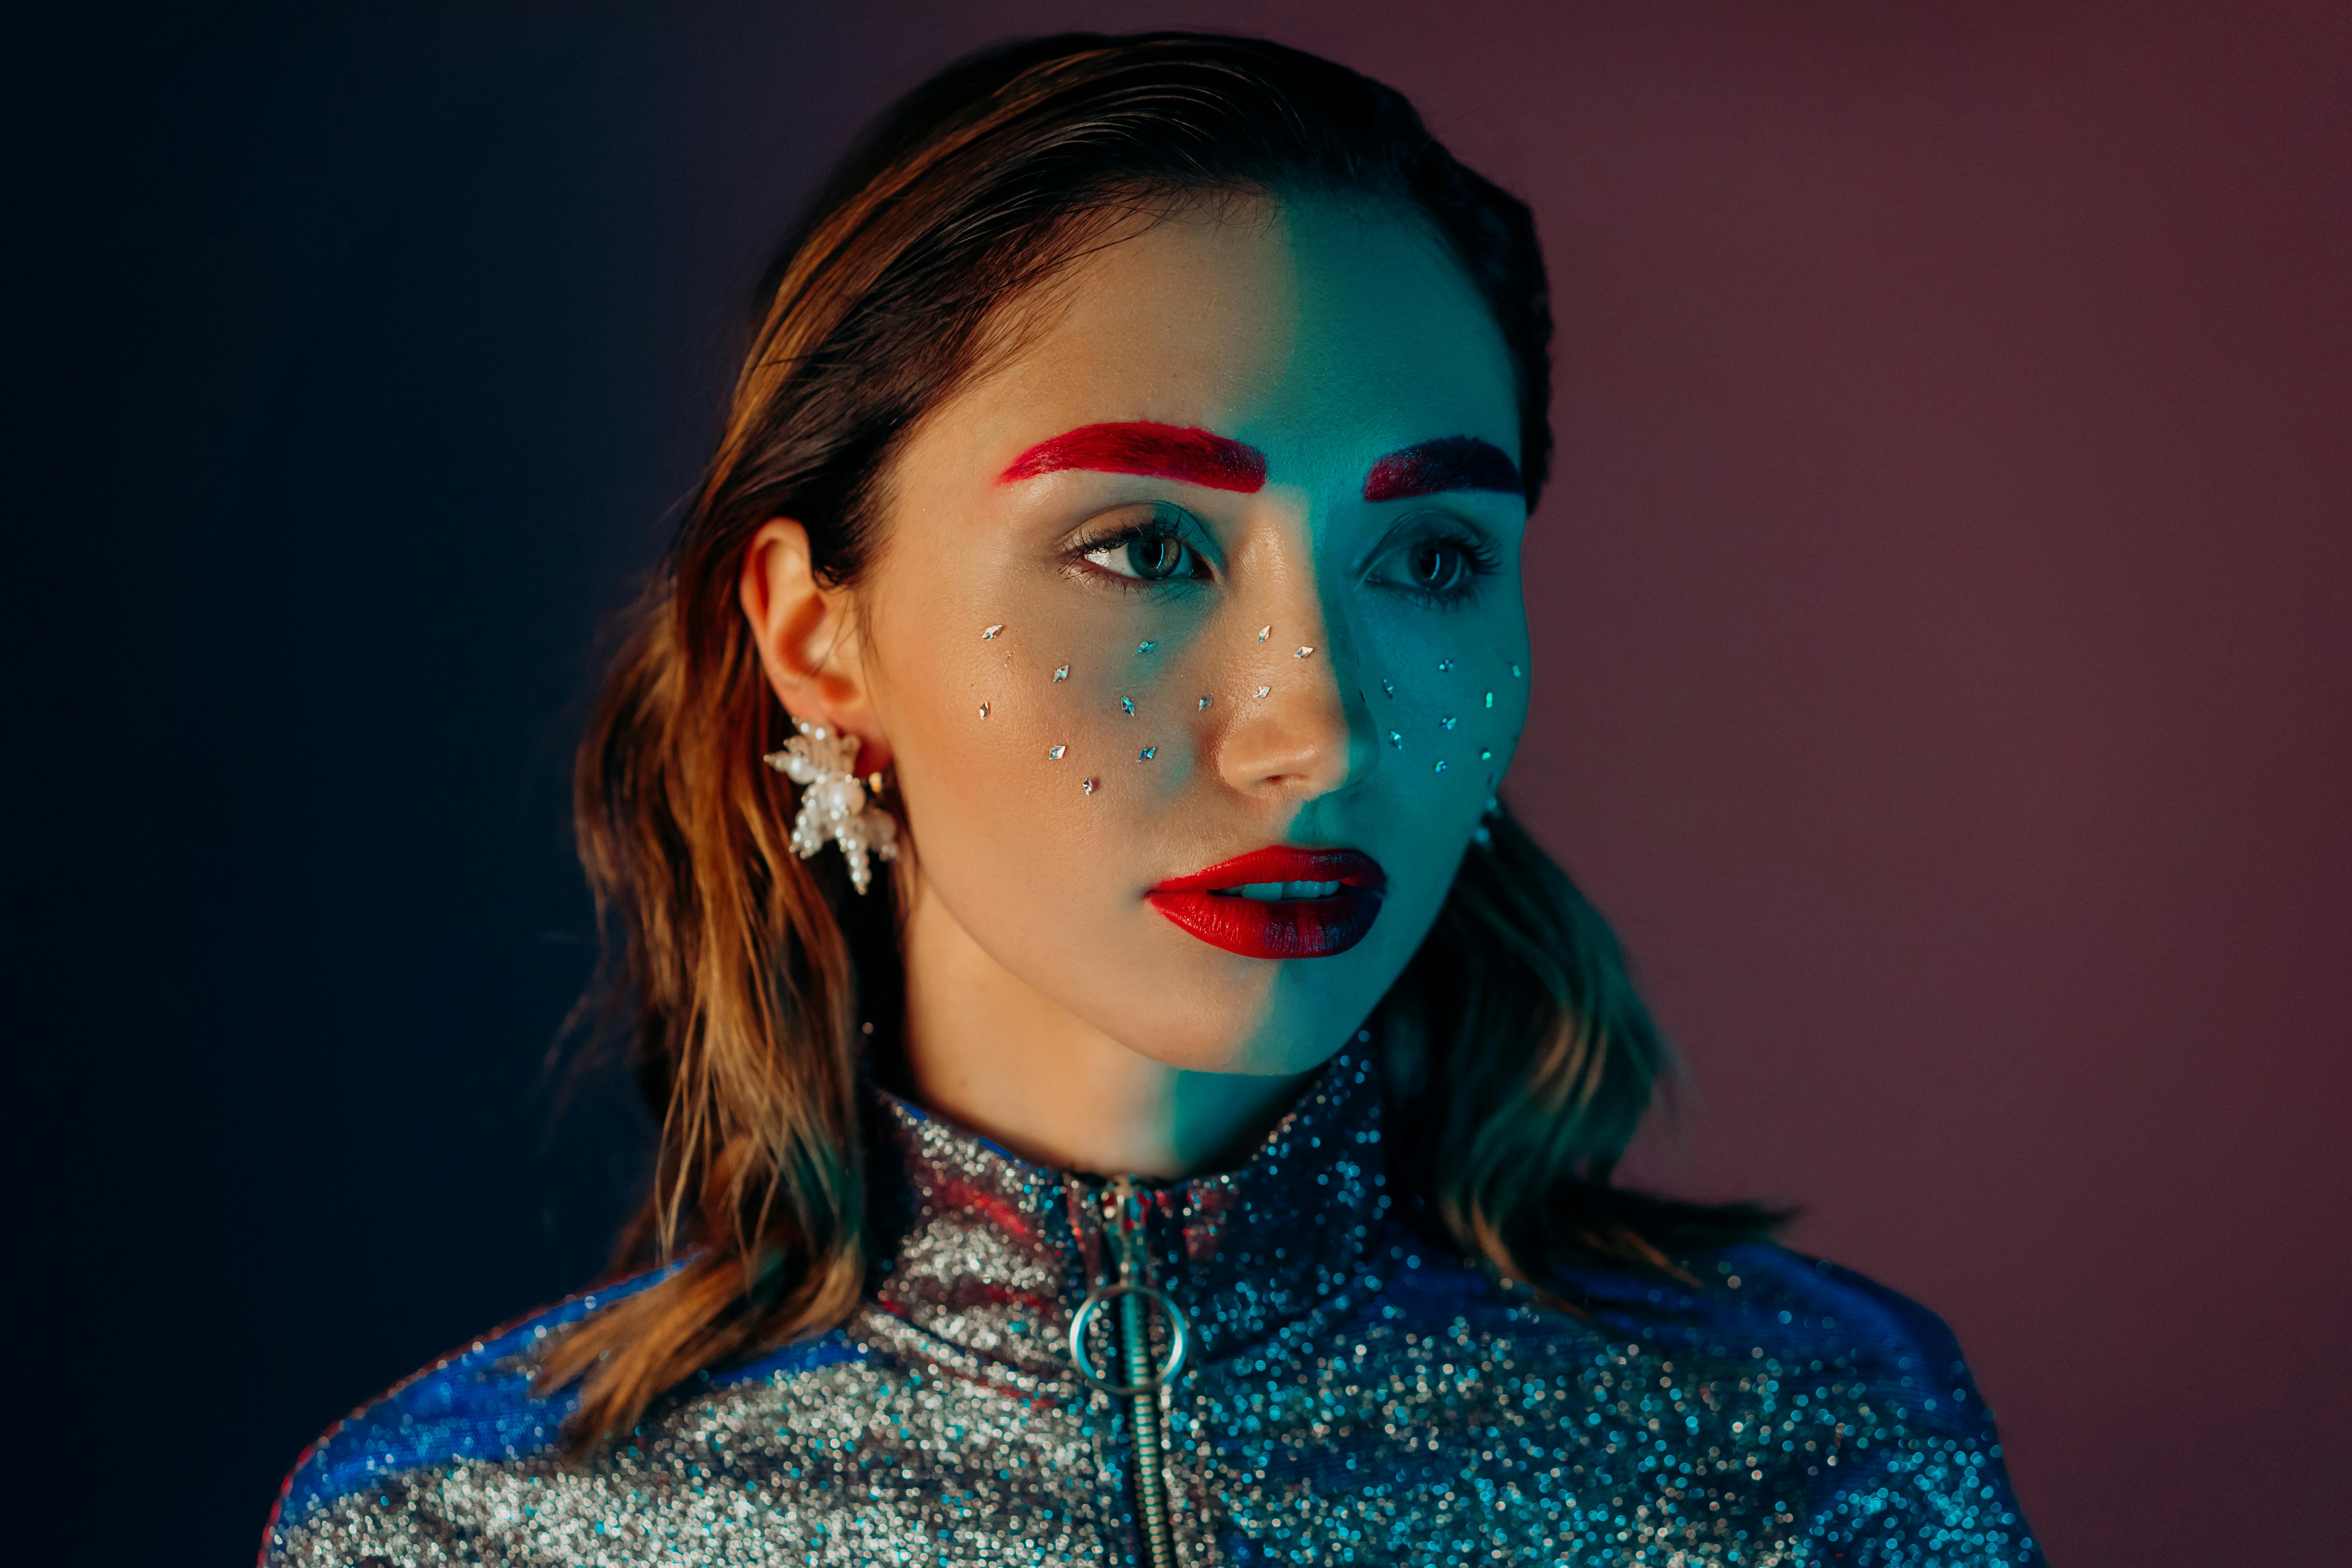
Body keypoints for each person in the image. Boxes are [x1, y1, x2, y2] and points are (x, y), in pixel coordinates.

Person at [263, 32, 2039, 1566]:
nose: (1317, 725)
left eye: (1427, 555)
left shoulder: (1808, 1469)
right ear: (820, 642)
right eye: (1143, 545)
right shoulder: (471, 1528)